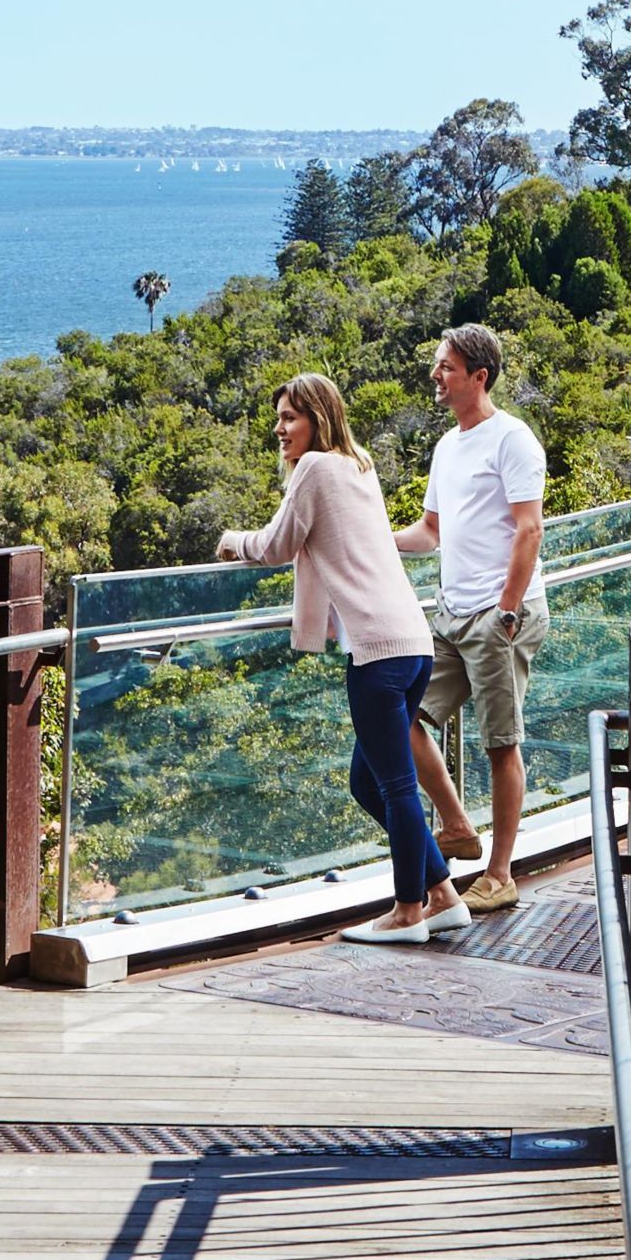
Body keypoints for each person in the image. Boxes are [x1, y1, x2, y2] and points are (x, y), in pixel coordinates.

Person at [217, 374, 463, 945]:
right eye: (278, 417)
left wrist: (233, 539)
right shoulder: (357, 465)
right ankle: (444, 896)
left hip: (378, 654)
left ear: (317, 419)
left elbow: (277, 545)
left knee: (397, 786)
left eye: (290, 418)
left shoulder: (316, 469)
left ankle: (407, 913)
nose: (280, 429)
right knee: (366, 781)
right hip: (411, 644)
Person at [400, 322, 548, 914]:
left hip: (499, 616)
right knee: (400, 712)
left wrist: (506, 613)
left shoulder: (513, 440)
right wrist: (370, 542)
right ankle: (458, 825)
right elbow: (430, 532)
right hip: (451, 615)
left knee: (499, 743)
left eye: (446, 368)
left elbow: (528, 528)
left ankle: (500, 874)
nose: (436, 376)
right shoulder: (447, 447)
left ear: (478, 377)